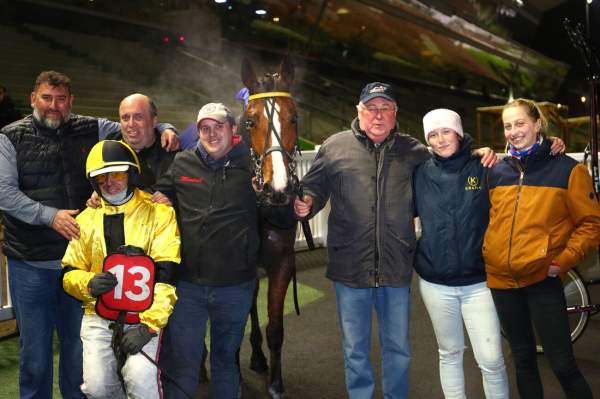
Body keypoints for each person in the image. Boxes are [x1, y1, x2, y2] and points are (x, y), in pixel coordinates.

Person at [0, 70, 178, 399]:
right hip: (31, 264)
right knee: (35, 356)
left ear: (71, 101)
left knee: (78, 356)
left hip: (84, 267)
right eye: (46, 98)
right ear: (32, 99)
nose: (54, 105)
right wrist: (50, 217)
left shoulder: (90, 126)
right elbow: (4, 193)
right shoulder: (9, 136)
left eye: (61, 99)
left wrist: (164, 127)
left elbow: (134, 127)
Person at [294, 82, 433, 399]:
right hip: (349, 266)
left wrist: (474, 151)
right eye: (372, 108)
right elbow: (313, 188)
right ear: (359, 111)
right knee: (355, 348)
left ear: (395, 114)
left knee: (398, 346)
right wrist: (307, 202)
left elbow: (449, 165)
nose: (378, 115)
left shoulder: (414, 151)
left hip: (396, 264)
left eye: (385, 108)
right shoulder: (334, 146)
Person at [484, 98, 600, 399]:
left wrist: (563, 261)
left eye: (520, 123)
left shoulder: (568, 170)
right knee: (522, 362)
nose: (513, 131)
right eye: (507, 126)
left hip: (542, 280)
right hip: (502, 282)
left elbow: (592, 224)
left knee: (562, 364)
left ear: (537, 125)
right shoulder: (497, 171)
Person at [61, 139, 180, 398]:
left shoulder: (159, 213)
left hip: (145, 315)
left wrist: (149, 326)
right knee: (97, 387)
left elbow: (167, 275)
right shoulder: (85, 219)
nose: (109, 182)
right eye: (101, 177)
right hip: (97, 316)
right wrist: (88, 283)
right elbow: (68, 272)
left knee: (140, 379)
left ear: (131, 173)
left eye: (116, 173)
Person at [155, 103, 259, 399]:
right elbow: (156, 194)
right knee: (184, 363)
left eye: (219, 127)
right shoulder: (182, 163)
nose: (212, 134)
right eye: (205, 128)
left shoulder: (252, 165)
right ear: (198, 131)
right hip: (188, 286)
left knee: (225, 362)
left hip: (235, 286)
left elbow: (278, 215)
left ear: (233, 129)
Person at [413, 108, 508, 398]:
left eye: (446, 131)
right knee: (450, 353)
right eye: (433, 134)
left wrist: (551, 145)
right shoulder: (419, 173)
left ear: (458, 132)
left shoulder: (485, 165)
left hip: (479, 282)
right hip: (435, 283)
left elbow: (525, 169)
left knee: (491, 360)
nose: (440, 139)